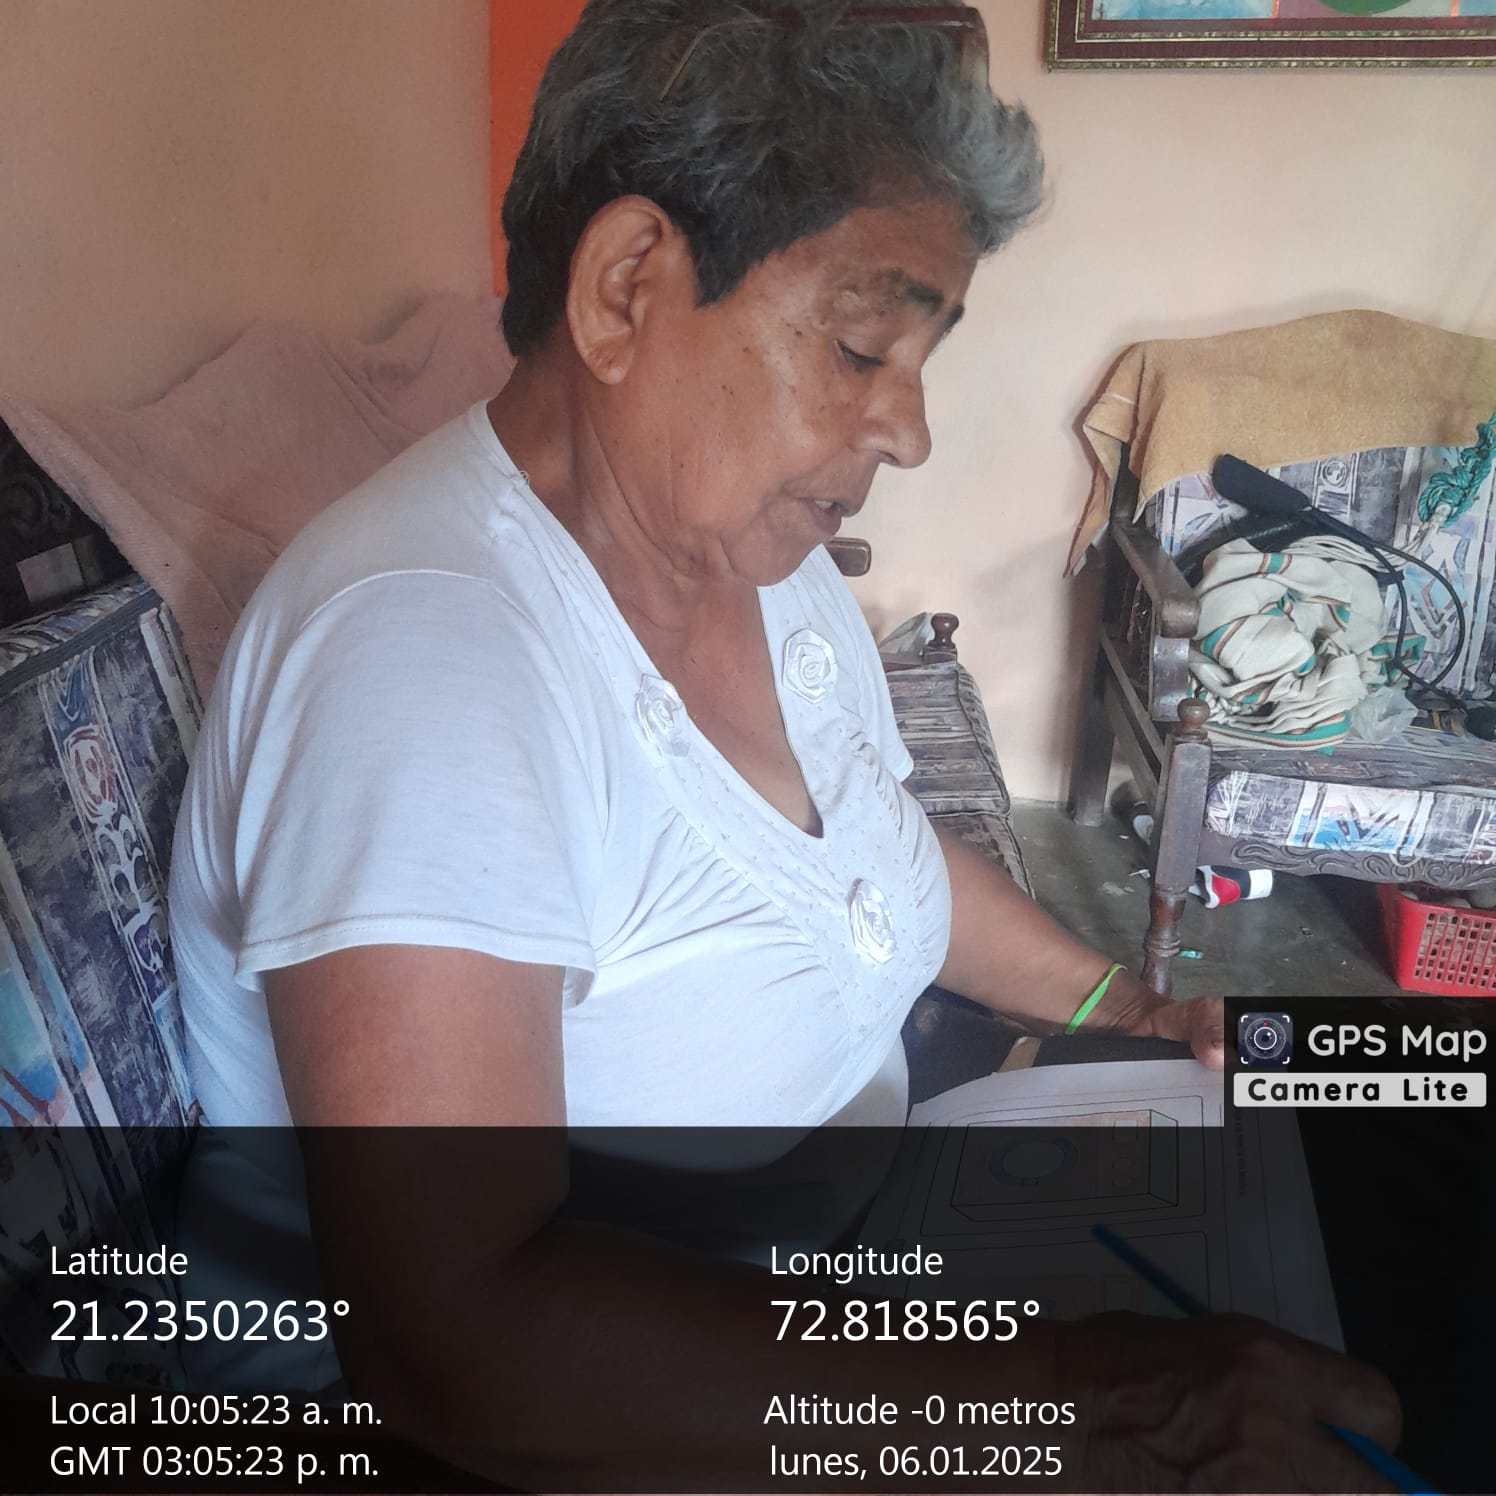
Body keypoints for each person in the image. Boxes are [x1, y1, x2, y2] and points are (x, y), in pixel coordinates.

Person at [166, 1, 1398, 1487]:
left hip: (841, 1264)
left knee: (1381, 1188)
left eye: (919, 357)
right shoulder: (426, 661)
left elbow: (874, 849)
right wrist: (1080, 1404)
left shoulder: (761, 563)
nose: (909, 430)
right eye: (862, 344)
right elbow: (458, 1342)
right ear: (625, 286)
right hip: (546, 1432)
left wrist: (1118, 1009)